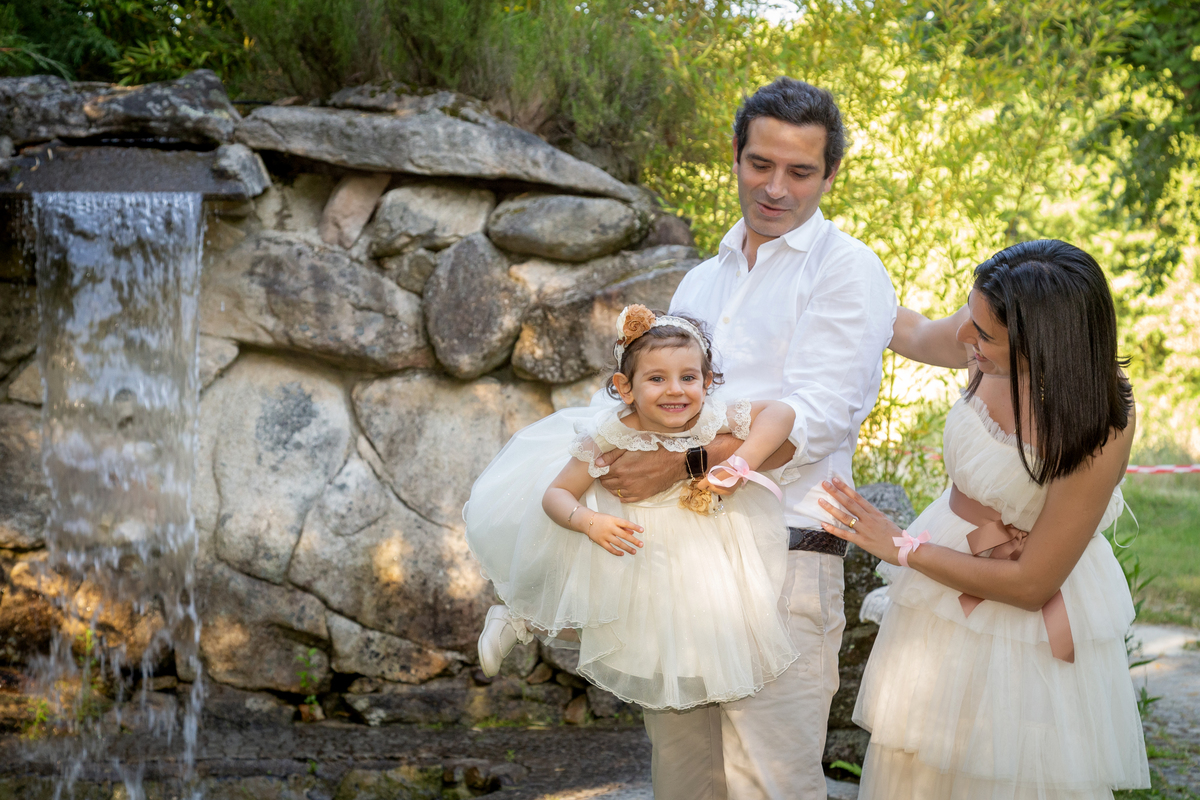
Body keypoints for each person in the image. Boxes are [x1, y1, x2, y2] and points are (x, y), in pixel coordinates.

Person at [593, 78, 898, 799]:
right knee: (684, 782)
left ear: (830, 175)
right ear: (735, 157)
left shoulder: (846, 269)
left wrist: (678, 468)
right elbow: (662, 401)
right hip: (680, 567)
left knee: (772, 785)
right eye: (761, 164)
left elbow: (821, 413)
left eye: (800, 171)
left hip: (783, 562)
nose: (776, 188)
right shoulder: (701, 282)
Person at [819, 239, 1152, 799]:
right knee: (921, 766)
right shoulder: (985, 331)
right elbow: (912, 331)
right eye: (970, 318)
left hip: (1023, 620)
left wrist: (899, 546)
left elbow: (1030, 584)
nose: (964, 338)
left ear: (1042, 347)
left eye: (984, 334)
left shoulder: (1101, 423)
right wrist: (821, 262)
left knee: (1010, 771)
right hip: (941, 597)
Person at [465, 306, 802, 719]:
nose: (675, 390)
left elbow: (782, 413)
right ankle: (519, 620)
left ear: (707, 382)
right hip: (629, 539)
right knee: (612, 612)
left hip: (696, 547)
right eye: (657, 378)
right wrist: (591, 523)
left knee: (690, 622)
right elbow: (556, 494)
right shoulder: (613, 433)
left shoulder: (712, 418)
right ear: (626, 388)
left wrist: (738, 465)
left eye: (689, 377)